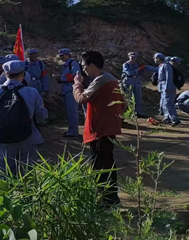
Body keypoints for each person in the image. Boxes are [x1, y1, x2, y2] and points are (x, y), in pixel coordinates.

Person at [72, 51, 124, 207]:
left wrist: (77, 84)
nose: (84, 70)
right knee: (107, 162)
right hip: (108, 127)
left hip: (100, 129)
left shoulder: (101, 80)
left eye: (84, 67)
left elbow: (81, 98)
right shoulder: (111, 79)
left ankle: (107, 199)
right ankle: (110, 197)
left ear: (92, 65)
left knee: (100, 165)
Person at [0, 60, 48, 176]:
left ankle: (8, 193)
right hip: (28, 137)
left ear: (5, 74)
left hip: (3, 138)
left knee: (6, 174)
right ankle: (27, 193)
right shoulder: (32, 92)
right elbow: (42, 115)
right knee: (27, 174)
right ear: (23, 75)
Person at [53, 48, 81, 137]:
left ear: (68, 55)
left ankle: (73, 132)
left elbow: (76, 76)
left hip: (72, 90)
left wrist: (61, 78)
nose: (61, 57)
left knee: (72, 111)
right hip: (67, 90)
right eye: (60, 55)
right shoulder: (65, 65)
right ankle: (71, 130)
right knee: (69, 111)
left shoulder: (73, 63)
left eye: (63, 55)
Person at [154, 53, 181, 126]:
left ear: (158, 58)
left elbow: (169, 77)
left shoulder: (166, 66)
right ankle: (168, 118)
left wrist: (167, 87)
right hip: (163, 87)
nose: (154, 59)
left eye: (155, 58)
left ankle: (175, 119)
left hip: (168, 87)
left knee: (169, 103)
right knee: (165, 103)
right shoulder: (161, 66)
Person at [121, 52, 147, 118]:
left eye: (134, 57)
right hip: (128, 81)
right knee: (129, 98)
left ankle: (139, 112)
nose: (133, 58)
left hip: (136, 81)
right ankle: (130, 113)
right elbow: (129, 73)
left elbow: (140, 73)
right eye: (132, 57)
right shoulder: (125, 64)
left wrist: (142, 69)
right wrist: (138, 69)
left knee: (138, 97)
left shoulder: (137, 64)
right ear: (129, 57)